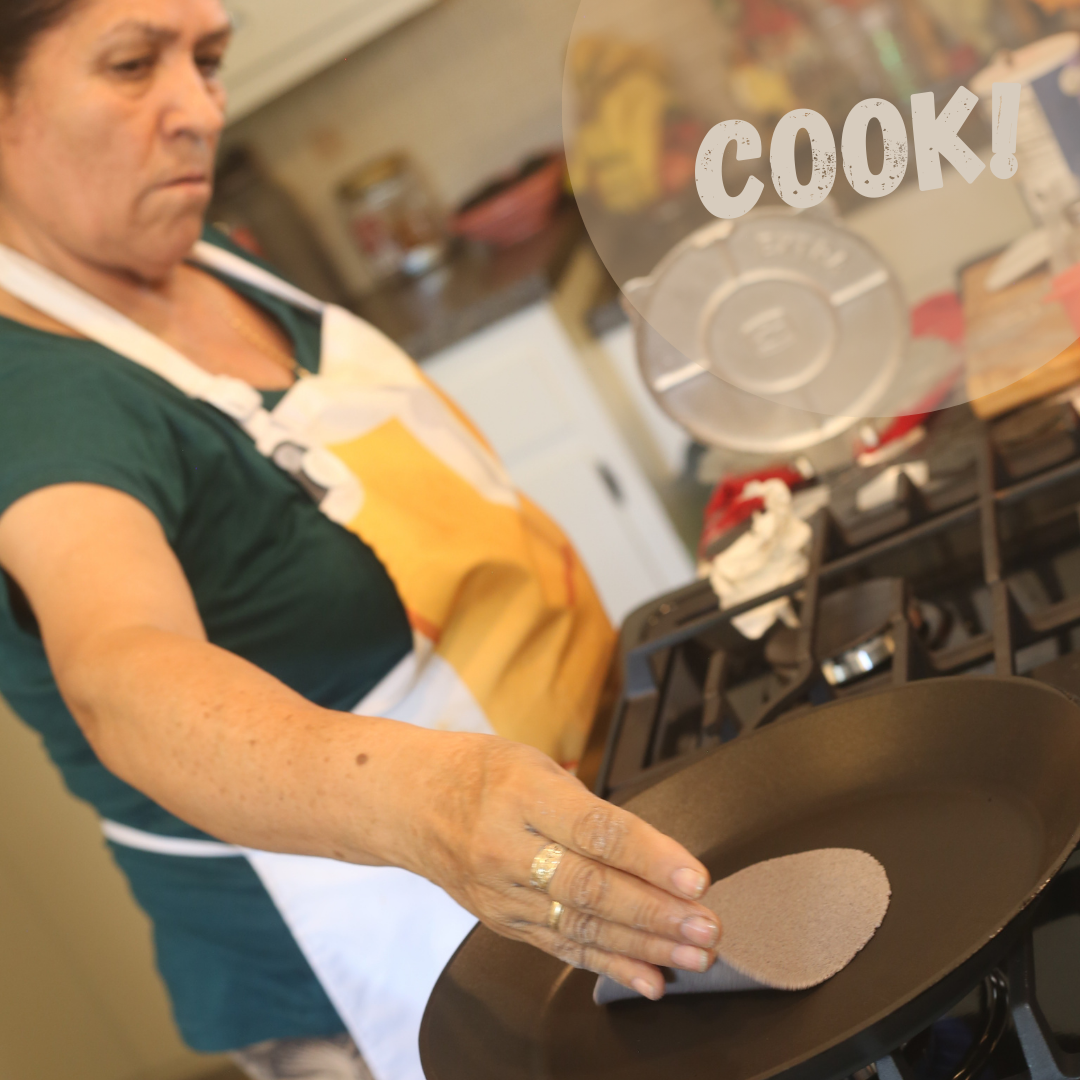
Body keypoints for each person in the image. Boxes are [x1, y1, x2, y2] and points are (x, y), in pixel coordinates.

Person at [0, 2, 723, 1079]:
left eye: (207, 60)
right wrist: (435, 803)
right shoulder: (33, 396)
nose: (199, 109)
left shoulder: (207, 256)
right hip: (384, 952)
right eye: (132, 63)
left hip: (569, 815)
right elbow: (121, 668)